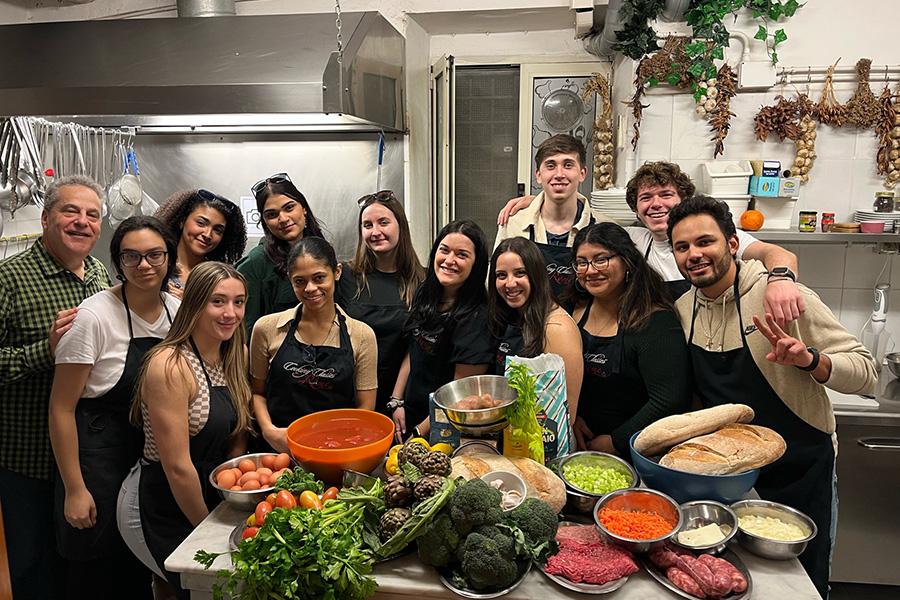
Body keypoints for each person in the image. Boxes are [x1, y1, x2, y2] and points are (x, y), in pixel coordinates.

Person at [668, 195, 877, 599]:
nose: (694, 255)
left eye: (705, 242)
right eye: (682, 247)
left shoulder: (778, 295)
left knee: (802, 586)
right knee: (732, 583)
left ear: (732, 244)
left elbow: (866, 371)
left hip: (798, 472)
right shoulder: (682, 309)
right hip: (729, 479)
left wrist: (810, 361)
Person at [497, 161, 805, 325]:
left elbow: (775, 253)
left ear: (683, 198)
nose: (656, 204)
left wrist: (780, 281)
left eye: (666, 195)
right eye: (646, 198)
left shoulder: (713, 238)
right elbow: (583, 212)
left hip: (711, 333)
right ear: (635, 209)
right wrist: (536, 201)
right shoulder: (633, 237)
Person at [49, 216, 179, 599]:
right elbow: (60, 408)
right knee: (98, 571)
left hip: (149, 456)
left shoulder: (178, 311)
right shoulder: (92, 316)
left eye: (155, 255)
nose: (144, 266)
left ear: (169, 258)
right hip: (97, 456)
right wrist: (75, 488)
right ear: (117, 262)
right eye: (131, 257)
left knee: (142, 565)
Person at [0, 175, 111, 600]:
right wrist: (44, 351)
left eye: (92, 215)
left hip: (89, 457)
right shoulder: (10, 279)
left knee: (81, 568)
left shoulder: (99, 274)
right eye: (71, 211)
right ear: (46, 218)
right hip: (28, 460)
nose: (82, 222)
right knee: (34, 567)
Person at [129, 261, 253, 599]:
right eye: (218, 301)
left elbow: (237, 435)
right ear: (195, 303)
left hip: (213, 492)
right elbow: (177, 466)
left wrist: (236, 493)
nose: (230, 313)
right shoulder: (169, 365)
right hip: (168, 501)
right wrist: (207, 529)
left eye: (238, 302)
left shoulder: (234, 355)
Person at [567, 222, 692, 456]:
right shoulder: (571, 310)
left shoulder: (655, 321)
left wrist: (617, 440)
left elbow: (669, 400)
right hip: (576, 438)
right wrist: (572, 417)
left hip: (636, 449)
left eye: (601, 259)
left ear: (627, 261)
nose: (591, 270)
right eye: (582, 262)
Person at [250, 237, 378, 453]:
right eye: (300, 281)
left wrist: (343, 447)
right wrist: (269, 431)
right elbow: (257, 392)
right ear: (290, 280)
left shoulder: (362, 335)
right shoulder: (267, 328)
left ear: (336, 272)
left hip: (337, 450)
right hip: (280, 449)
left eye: (319, 278)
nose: (310, 288)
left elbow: (365, 408)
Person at [391, 220, 494, 442]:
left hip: (445, 426)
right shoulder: (426, 293)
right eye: (444, 250)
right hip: (410, 413)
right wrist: (397, 400)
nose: (449, 260)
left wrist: (420, 432)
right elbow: (415, 347)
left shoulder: (478, 317)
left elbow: (462, 391)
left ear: (477, 265)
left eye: (462, 255)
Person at [336, 191, 425, 416]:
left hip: (400, 400)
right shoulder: (345, 276)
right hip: (349, 396)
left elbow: (417, 348)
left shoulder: (422, 281)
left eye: (383, 222)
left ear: (400, 226)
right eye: (367, 225)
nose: (375, 232)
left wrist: (398, 399)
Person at [488, 236, 583, 421]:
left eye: (520, 273)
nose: (509, 283)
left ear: (536, 274)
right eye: (501, 275)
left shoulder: (557, 328)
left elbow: (565, 415)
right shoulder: (514, 316)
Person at [494, 134, 598, 300]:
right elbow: (495, 282)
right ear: (538, 175)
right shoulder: (513, 224)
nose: (559, 174)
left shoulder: (602, 226)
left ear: (582, 173)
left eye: (568, 165)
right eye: (550, 166)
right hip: (525, 323)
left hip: (580, 323)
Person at [237, 173, 326, 334]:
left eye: (289, 207)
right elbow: (247, 332)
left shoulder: (323, 251)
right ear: (264, 221)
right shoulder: (255, 265)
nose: (283, 218)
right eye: (272, 214)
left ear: (304, 208)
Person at [154, 188, 247, 297]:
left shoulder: (222, 277)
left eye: (217, 230)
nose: (207, 234)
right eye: (201, 223)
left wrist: (190, 305)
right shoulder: (154, 265)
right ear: (182, 221)